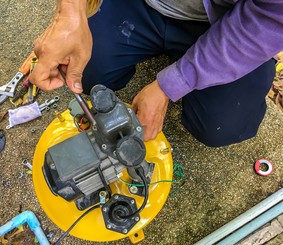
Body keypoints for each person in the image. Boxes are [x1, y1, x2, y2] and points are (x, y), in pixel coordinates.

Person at [29, 0, 283, 146]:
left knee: (222, 127)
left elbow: (269, 19)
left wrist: (171, 85)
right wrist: (69, 14)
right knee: (84, 70)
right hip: (139, 6)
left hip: (233, 25)